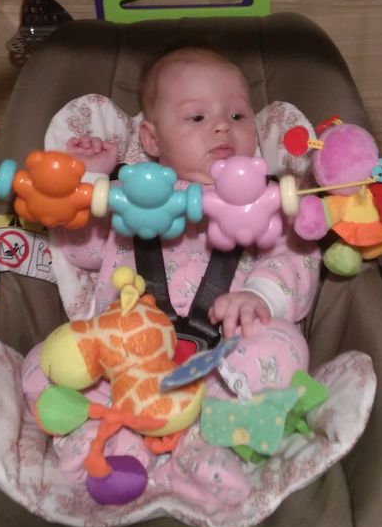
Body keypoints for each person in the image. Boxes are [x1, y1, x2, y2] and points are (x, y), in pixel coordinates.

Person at [51, 46, 320, 393]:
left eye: (237, 115)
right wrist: (91, 182)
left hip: (226, 354)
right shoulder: (129, 194)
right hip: (127, 353)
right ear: (152, 139)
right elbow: (82, 251)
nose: (222, 126)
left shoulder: (267, 201)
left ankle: (226, 418)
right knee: (52, 362)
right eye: (197, 117)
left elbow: (296, 255)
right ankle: (115, 421)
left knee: (283, 345)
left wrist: (260, 296)